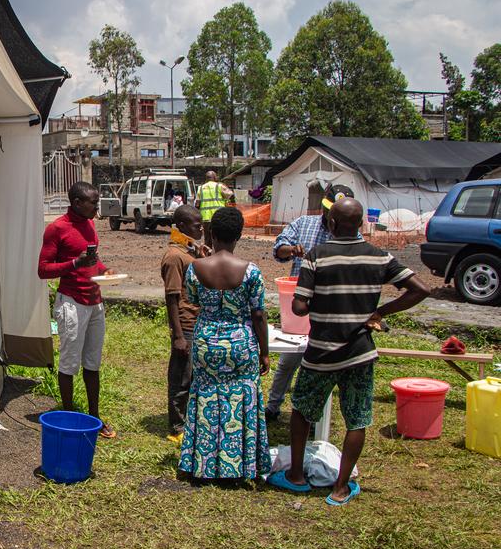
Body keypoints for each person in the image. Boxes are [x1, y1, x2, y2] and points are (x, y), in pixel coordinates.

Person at [268, 197, 429, 505]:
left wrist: (325, 303)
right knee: (356, 418)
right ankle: (341, 488)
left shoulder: (318, 256)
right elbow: (421, 289)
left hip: (321, 353)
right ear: (362, 225)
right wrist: (380, 312)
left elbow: (299, 307)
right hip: (359, 353)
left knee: (302, 411)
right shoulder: (379, 256)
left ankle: (296, 476)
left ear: (331, 223)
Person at [178, 207, 271, 480]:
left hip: (206, 341)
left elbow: (193, 300)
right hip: (241, 343)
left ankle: (203, 464)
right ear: (239, 235)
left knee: (206, 397)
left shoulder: (195, 269)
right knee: (241, 400)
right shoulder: (251, 272)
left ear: (211, 233)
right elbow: (258, 314)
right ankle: (240, 465)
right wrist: (264, 352)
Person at [265, 183, 355, 423]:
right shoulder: (304, 224)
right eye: (326, 210)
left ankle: (314, 416)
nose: (329, 216)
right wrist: (290, 250)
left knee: (322, 367)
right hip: (299, 307)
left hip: (332, 311)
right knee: (289, 361)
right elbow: (279, 248)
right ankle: (273, 406)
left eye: (334, 212)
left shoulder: (351, 235)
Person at [37, 181, 117, 438]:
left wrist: (104, 270)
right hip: (71, 303)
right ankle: (68, 417)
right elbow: (43, 269)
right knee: (70, 363)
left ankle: (94, 416)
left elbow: (92, 259)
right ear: (76, 203)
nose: (97, 206)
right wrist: (74, 263)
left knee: (93, 362)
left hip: (95, 302)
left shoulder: (90, 223)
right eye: (93, 202)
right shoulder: (57, 229)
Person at [160, 205, 205, 442]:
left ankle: (189, 420)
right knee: (181, 377)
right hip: (185, 324)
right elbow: (172, 297)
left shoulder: (189, 250)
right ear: (182, 227)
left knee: (193, 375)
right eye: (197, 226)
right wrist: (178, 335)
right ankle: (177, 426)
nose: (201, 229)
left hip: (197, 322)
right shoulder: (174, 256)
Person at [194, 171, 232, 247]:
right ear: (214, 177)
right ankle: (219, 255)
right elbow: (230, 194)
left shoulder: (200, 188)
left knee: (207, 239)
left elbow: (197, 204)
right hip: (219, 217)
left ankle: (208, 256)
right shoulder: (219, 186)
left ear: (206, 178)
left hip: (206, 218)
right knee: (219, 238)